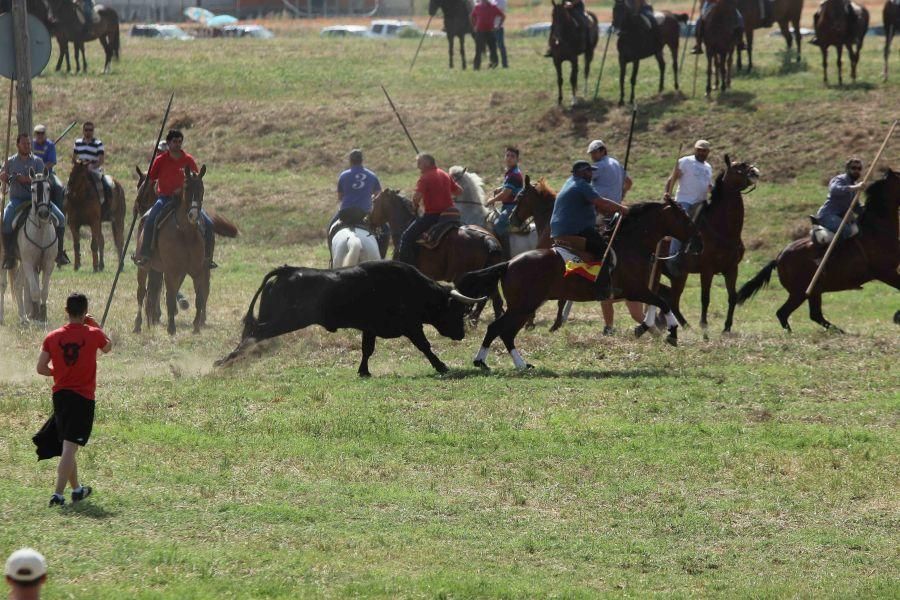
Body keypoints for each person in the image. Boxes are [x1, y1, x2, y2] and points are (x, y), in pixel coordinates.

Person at [37, 292, 112, 508]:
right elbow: (108, 347)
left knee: (68, 443)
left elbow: (41, 368)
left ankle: (77, 490)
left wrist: (59, 372)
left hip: (60, 396)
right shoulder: (94, 333)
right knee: (70, 447)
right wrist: (97, 325)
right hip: (82, 398)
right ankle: (58, 495)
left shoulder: (52, 337)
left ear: (66, 311)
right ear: (85, 311)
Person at [134, 129, 217, 268]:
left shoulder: (188, 160)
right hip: (165, 198)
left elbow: (195, 178)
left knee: (208, 224)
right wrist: (139, 197)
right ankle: (146, 255)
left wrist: (184, 189)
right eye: (174, 142)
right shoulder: (160, 160)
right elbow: (150, 179)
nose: (177, 144)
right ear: (168, 143)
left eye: (180, 142)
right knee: (149, 220)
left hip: (186, 200)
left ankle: (207, 258)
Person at [586, 139, 642, 333]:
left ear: (602, 151)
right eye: (591, 153)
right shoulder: (617, 164)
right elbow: (629, 182)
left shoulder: (598, 167)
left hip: (601, 213)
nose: (592, 156)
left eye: (595, 152)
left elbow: (584, 181)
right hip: (617, 212)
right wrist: (621, 195)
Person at [550, 160, 629, 296]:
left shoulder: (570, 182)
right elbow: (601, 202)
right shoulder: (582, 185)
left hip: (558, 230)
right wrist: (622, 209)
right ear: (581, 172)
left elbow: (595, 205)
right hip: (574, 230)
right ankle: (602, 289)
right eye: (589, 171)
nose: (591, 174)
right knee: (605, 252)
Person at [1, 134, 67, 269]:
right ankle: (9, 255)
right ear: (18, 145)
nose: (27, 146)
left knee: (60, 218)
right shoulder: (10, 162)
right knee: (6, 223)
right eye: (24, 143)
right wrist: (4, 176)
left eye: (29, 144)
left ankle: (59, 253)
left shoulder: (37, 162)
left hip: (38, 200)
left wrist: (23, 179)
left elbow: (41, 179)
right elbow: (3, 174)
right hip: (17, 200)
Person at [397, 153, 462, 265]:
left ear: (427, 163)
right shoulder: (445, 174)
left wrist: (415, 205)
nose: (418, 166)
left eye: (419, 163)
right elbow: (459, 191)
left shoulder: (425, 177)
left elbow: (416, 198)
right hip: (452, 215)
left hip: (433, 216)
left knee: (406, 237)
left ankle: (405, 267)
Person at [665, 139, 713, 276]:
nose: (701, 152)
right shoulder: (686, 161)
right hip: (685, 200)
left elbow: (709, 186)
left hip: (700, 203)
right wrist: (667, 192)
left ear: (708, 152)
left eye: (704, 150)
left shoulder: (708, 167)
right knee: (680, 226)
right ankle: (672, 258)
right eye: (699, 150)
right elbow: (672, 178)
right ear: (695, 149)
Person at [331, 148, 387, 254]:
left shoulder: (343, 175)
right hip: (365, 214)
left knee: (331, 227)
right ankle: (382, 256)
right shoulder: (372, 175)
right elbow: (379, 196)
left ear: (350, 160)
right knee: (386, 230)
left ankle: (331, 257)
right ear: (362, 160)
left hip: (345, 213)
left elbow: (340, 197)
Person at [32, 124, 70, 266]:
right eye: (37, 133)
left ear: (45, 134)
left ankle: (58, 207)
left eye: (42, 133)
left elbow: (52, 162)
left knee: (59, 187)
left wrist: (43, 168)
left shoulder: (49, 146)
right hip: (35, 175)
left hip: (48, 174)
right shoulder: (32, 145)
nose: (40, 135)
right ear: (35, 134)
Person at [485, 146, 523, 258]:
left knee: (498, 225)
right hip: (507, 205)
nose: (509, 158)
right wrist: (500, 188)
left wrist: (492, 200)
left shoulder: (514, 175)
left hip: (512, 207)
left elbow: (506, 193)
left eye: (513, 156)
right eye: (507, 155)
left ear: (517, 159)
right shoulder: (511, 172)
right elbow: (507, 187)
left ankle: (505, 255)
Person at [815, 158, 865, 240]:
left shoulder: (855, 186)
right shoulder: (840, 179)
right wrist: (855, 187)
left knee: (860, 229)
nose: (857, 171)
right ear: (847, 169)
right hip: (827, 215)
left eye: (859, 169)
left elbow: (856, 206)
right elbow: (834, 190)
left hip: (840, 217)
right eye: (853, 168)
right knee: (846, 231)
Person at [72, 122, 108, 206]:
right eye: (86, 130)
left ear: (93, 131)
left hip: (93, 170)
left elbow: (101, 160)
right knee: (71, 183)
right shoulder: (78, 142)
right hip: (81, 170)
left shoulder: (98, 144)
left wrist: (92, 166)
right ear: (83, 131)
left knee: (100, 184)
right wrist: (80, 165)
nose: (88, 132)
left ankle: (102, 203)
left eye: (90, 130)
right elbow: (74, 159)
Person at [471, 0, 504, 70]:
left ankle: (493, 65)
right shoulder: (477, 7)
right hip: (480, 32)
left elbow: (502, 16)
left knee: (493, 49)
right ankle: (476, 67)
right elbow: (472, 16)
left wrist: (498, 26)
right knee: (478, 50)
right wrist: (474, 26)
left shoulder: (493, 7)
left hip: (490, 31)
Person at [492, 0, 509, 68]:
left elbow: (500, 12)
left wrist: (498, 25)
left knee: (501, 46)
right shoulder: (493, 1)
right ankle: (494, 63)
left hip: (498, 27)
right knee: (493, 47)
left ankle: (504, 64)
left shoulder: (502, 1)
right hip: (491, 27)